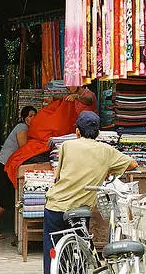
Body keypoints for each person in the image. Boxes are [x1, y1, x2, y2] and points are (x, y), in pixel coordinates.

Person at [43, 111, 138, 274]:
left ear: (77, 131)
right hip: (81, 210)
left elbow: (58, 177)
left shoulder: (67, 145)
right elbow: (133, 164)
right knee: (80, 253)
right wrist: (107, 168)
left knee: (53, 254)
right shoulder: (106, 151)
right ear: (98, 133)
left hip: (56, 206)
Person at [0, 105, 37, 239]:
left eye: (35, 115)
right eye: (30, 115)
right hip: (3, 165)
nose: (33, 118)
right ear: (24, 118)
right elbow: (24, 149)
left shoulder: (28, 129)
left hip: (9, 166)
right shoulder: (22, 128)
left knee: (3, 199)